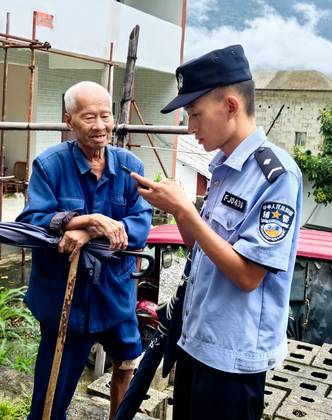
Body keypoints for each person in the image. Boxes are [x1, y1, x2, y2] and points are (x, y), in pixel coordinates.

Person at [130, 45, 302, 420]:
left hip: (233, 359)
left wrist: (184, 209)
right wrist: (176, 209)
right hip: (197, 341)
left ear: (230, 105)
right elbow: (199, 249)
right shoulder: (222, 166)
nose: (190, 129)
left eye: (195, 115)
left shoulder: (276, 176)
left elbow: (247, 275)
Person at [17, 81, 153, 420]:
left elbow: (140, 225)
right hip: (66, 298)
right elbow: (32, 222)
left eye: (105, 116)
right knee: (50, 399)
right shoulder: (49, 165)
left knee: (128, 364)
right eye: (88, 117)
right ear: (69, 121)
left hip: (114, 295)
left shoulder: (128, 166)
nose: (100, 126)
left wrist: (88, 235)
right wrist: (89, 220)